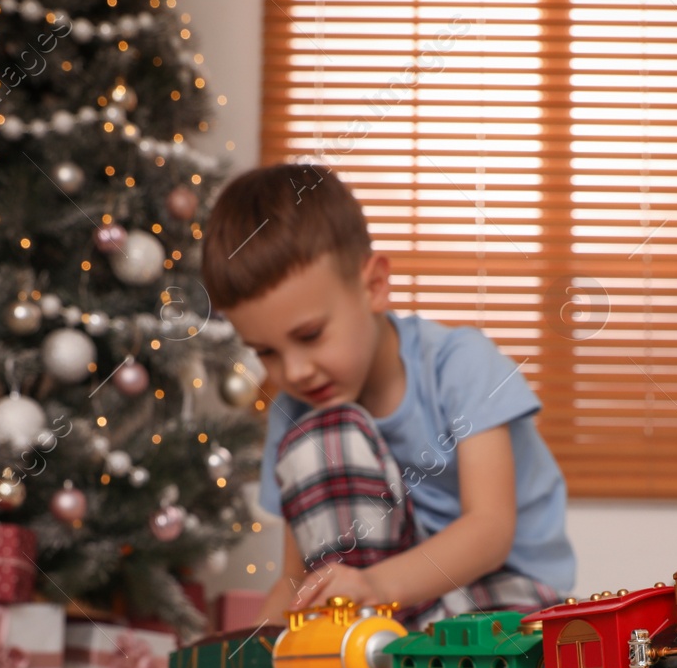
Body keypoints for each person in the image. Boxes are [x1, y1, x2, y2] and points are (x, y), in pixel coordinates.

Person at [200, 162, 575, 628]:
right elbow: (297, 576)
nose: (293, 371)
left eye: (311, 335)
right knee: (321, 431)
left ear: (375, 286)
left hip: (507, 585)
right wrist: (257, 656)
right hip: (388, 599)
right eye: (266, 352)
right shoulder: (297, 408)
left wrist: (374, 588)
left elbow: (490, 531)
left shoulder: (461, 364)